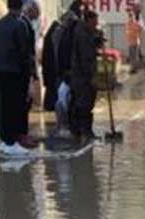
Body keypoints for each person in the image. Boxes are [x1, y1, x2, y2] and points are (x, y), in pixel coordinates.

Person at [0, 0, 35, 155]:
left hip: (0, 71)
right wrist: (29, 75)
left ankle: (5, 140)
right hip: (16, 72)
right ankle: (12, 142)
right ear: (21, 7)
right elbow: (25, 52)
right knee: (15, 107)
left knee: (4, 106)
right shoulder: (19, 25)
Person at [69, 8, 99, 142]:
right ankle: (84, 131)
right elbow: (86, 58)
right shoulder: (83, 36)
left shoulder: (86, 33)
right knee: (84, 104)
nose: (96, 26)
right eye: (94, 23)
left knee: (83, 104)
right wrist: (91, 77)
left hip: (81, 76)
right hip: (83, 78)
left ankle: (80, 131)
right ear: (87, 21)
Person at [53, 1, 81, 135]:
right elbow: (60, 54)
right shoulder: (61, 33)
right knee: (63, 99)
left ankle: (68, 126)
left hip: (67, 72)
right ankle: (63, 126)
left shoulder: (66, 33)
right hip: (64, 73)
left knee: (66, 99)